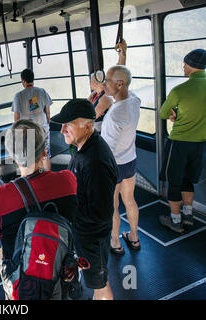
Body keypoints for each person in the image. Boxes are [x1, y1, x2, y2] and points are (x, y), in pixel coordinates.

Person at [0, 120, 78, 298]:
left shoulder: (1, 197)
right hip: (61, 272)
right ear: (44, 152)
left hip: (23, 282)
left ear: (12, 155)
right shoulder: (68, 180)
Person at [51, 99, 118, 300]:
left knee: (100, 284)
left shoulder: (95, 161)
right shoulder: (83, 148)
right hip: (83, 235)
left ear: (88, 126)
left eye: (68, 125)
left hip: (92, 239)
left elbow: (102, 213)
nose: (62, 130)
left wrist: (68, 213)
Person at [159, 49, 206, 233]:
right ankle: (188, 215)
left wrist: (175, 113)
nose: (183, 67)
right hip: (200, 144)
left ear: (190, 66)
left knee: (174, 182)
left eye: (184, 64)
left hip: (179, 143)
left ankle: (175, 220)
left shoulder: (179, 90)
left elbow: (164, 113)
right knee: (188, 180)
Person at [101, 42, 141, 253]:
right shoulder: (133, 100)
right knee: (130, 200)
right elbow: (122, 77)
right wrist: (122, 54)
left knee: (113, 205)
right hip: (129, 161)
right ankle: (133, 237)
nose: (103, 84)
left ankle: (115, 242)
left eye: (107, 81)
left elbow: (106, 149)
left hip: (113, 165)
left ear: (120, 85)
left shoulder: (115, 115)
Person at [12, 68, 53, 171]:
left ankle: (34, 179)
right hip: (43, 127)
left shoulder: (18, 96)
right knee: (46, 154)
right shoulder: (42, 91)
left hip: (28, 130)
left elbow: (17, 117)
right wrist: (48, 122)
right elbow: (47, 111)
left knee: (31, 156)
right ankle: (48, 176)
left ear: (23, 81)